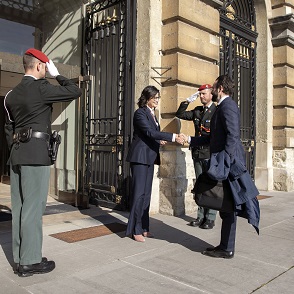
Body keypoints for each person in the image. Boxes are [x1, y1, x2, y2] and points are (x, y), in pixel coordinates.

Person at [4, 48, 82, 276]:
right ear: (39, 66)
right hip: (36, 155)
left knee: (19, 208)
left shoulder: (10, 95)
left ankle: (21, 257)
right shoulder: (42, 88)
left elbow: (8, 129)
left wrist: (17, 149)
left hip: (17, 155)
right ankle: (30, 261)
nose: (45, 70)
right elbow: (75, 90)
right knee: (33, 209)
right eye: (45, 66)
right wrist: (57, 74)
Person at [187, 75, 259, 259]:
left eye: (214, 87)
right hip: (225, 161)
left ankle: (227, 249)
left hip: (228, 164)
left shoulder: (228, 106)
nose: (211, 91)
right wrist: (189, 139)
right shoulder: (222, 107)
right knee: (227, 208)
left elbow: (233, 136)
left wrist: (225, 161)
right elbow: (212, 138)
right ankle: (225, 246)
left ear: (220, 89)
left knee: (229, 207)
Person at [126, 85, 185, 242]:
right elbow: (148, 132)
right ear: (147, 98)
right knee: (138, 195)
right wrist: (172, 137)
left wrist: (160, 140)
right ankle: (135, 229)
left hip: (150, 157)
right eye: (155, 98)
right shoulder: (140, 113)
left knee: (146, 195)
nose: (157, 100)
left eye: (158, 97)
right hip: (139, 158)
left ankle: (145, 227)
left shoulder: (153, 114)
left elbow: (152, 136)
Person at [176, 84, 217, 229]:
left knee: (210, 186)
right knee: (200, 185)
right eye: (199, 94)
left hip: (210, 153)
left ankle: (210, 217)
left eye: (204, 94)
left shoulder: (216, 111)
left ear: (211, 94)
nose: (201, 97)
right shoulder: (197, 111)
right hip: (197, 152)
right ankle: (200, 216)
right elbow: (179, 114)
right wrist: (187, 101)